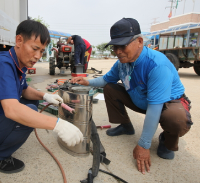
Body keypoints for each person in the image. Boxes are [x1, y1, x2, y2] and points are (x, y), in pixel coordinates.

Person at [0, 20, 83, 174]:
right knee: (29, 110)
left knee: (32, 101)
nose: (38, 56)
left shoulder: (16, 63)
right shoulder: (3, 64)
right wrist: (58, 125)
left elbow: (24, 90)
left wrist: (45, 96)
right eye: (35, 48)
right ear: (19, 41)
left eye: (42, 51)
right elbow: (12, 111)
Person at [71, 18, 192, 175]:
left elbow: (155, 108)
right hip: (142, 98)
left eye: (123, 45)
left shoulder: (157, 64)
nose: (118, 50)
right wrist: (87, 82)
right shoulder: (122, 62)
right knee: (109, 88)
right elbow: (106, 80)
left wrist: (144, 144)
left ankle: (166, 141)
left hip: (166, 104)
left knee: (176, 118)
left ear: (140, 41)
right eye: (115, 46)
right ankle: (126, 126)